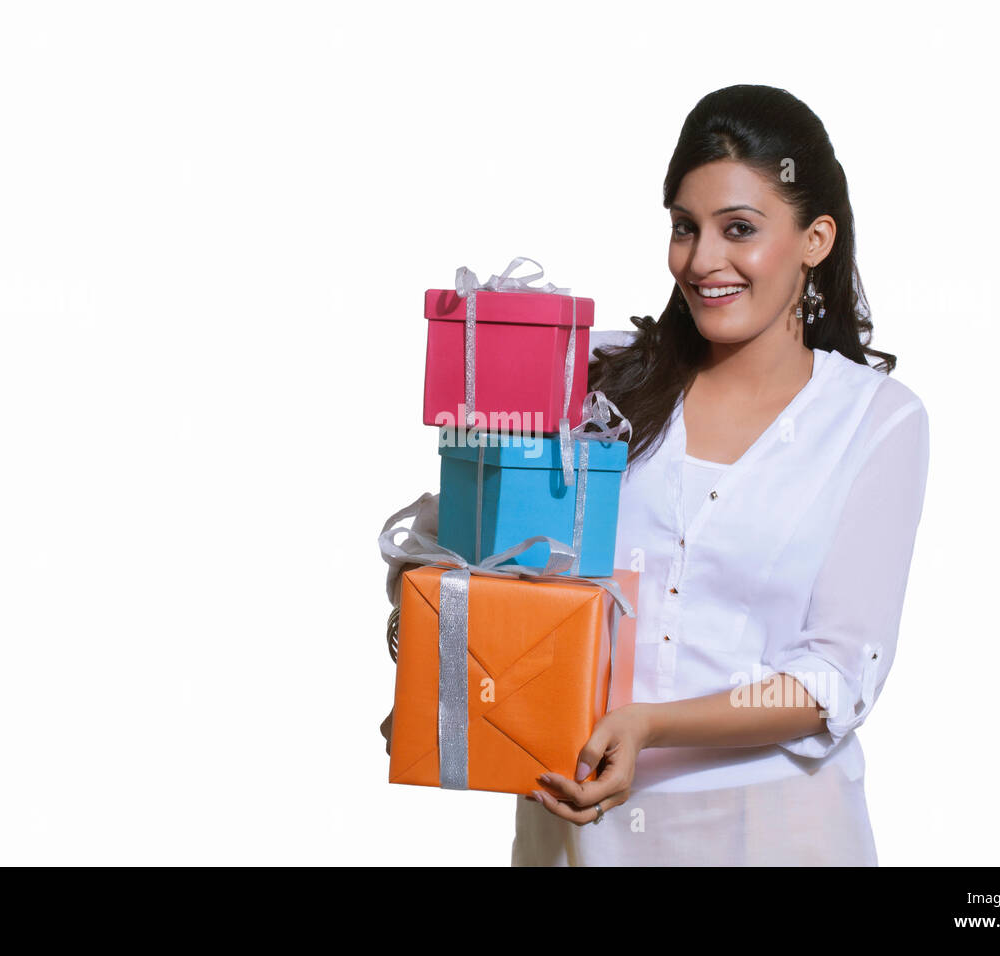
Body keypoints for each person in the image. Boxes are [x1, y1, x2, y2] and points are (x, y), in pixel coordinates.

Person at [381, 84, 930, 866]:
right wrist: (438, 669)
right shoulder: (596, 376)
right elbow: (455, 539)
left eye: (739, 229)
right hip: (578, 823)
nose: (703, 261)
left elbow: (835, 680)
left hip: (776, 831)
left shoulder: (875, 421)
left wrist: (653, 724)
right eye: (684, 228)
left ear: (815, 239)